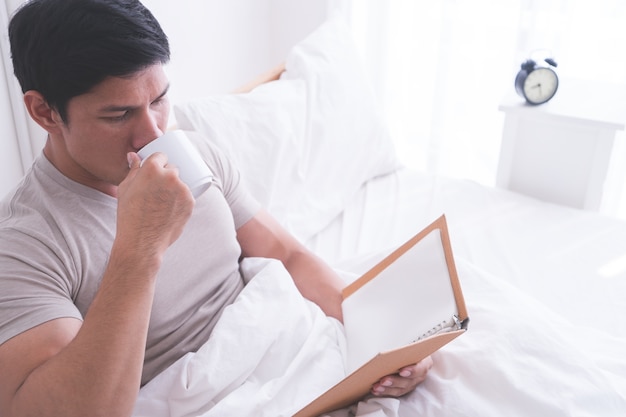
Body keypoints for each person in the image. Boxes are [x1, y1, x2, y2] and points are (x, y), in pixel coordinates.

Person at [0, 0, 433, 416]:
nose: (152, 133)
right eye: (118, 116)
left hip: (286, 345)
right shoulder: (26, 242)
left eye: (158, 100)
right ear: (44, 111)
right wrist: (141, 246)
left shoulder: (195, 151)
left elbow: (287, 255)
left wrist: (384, 344)